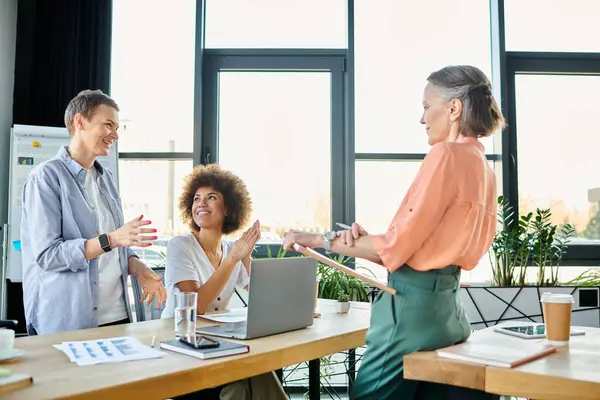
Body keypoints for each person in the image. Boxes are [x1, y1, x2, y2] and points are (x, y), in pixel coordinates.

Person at [283, 65, 505, 400]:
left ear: (454, 108)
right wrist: (367, 240)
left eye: (426, 107)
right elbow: (419, 243)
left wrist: (315, 239)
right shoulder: (485, 170)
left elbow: (394, 249)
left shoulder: (444, 155)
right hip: (449, 313)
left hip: (409, 315)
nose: (423, 118)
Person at [21, 89, 166, 335]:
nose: (115, 135)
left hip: (117, 316)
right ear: (80, 122)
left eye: (118, 127)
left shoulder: (105, 178)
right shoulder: (46, 178)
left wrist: (141, 270)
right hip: (67, 321)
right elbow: (48, 255)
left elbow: (118, 247)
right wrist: (112, 239)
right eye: (108, 125)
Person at [162, 164, 287, 400]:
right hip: (182, 345)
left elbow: (263, 300)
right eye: (197, 198)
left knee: (256, 370)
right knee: (250, 376)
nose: (201, 204)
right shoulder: (180, 246)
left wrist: (246, 257)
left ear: (228, 208)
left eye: (211, 197)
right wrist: (233, 259)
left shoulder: (232, 250)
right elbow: (195, 307)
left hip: (218, 342)